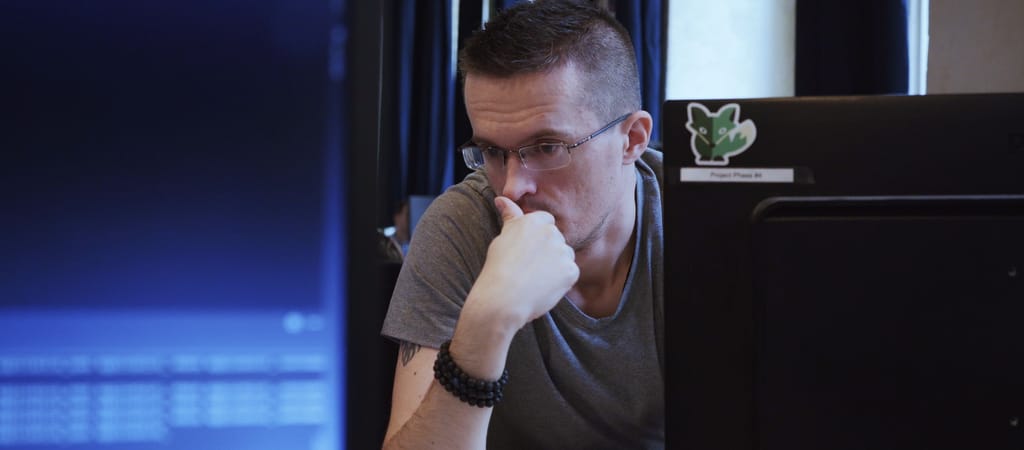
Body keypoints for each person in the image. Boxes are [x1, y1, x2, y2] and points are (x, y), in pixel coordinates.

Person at [381, 1, 664, 448]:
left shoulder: (702, 218)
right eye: (492, 152)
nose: (512, 188)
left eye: (547, 147)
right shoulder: (463, 225)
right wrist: (486, 324)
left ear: (632, 139)